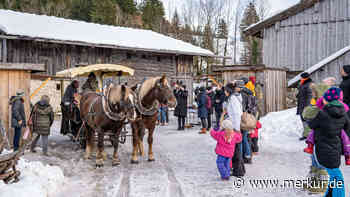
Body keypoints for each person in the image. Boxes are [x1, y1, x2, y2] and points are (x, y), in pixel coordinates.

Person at [307, 87, 348, 197]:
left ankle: (339, 195)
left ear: (328, 99)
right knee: (333, 171)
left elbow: (311, 125)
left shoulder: (322, 113)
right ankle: (329, 194)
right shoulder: (344, 113)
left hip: (323, 149)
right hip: (336, 148)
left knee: (335, 174)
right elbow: (347, 129)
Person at [223, 82, 245, 177]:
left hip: (235, 128)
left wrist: (236, 129)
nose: (224, 92)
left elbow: (237, 114)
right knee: (235, 149)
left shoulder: (233, 99)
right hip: (233, 127)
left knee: (236, 150)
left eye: (225, 90)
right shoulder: (231, 99)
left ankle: (238, 171)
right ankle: (239, 169)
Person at [240, 78, 257, 163]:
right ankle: (249, 156)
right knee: (248, 138)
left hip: (245, 118)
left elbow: (243, 107)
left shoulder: (243, 94)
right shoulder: (251, 91)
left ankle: (246, 155)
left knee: (244, 137)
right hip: (251, 117)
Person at [297, 72, 314, 141]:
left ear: (304, 77)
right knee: (303, 120)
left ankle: (310, 136)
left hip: (306, 106)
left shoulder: (309, 84)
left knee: (307, 121)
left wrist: (307, 107)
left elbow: (310, 96)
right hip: (302, 105)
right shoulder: (303, 84)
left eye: (301, 77)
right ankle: (306, 135)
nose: (300, 78)